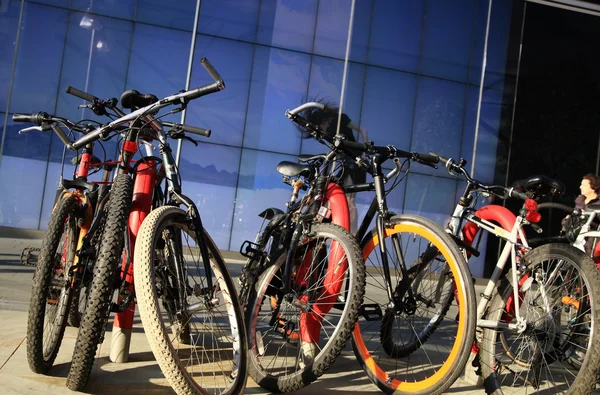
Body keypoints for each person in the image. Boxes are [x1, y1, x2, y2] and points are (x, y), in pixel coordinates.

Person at [296, 100, 369, 233]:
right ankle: (338, 231)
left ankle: (351, 234)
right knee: (335, 194)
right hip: (345, 161)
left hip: (355, 159)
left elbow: (363, 130)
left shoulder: (340, 119)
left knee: (350, 200)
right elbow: (334, 150)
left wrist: (364, 153)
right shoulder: (325, 129)